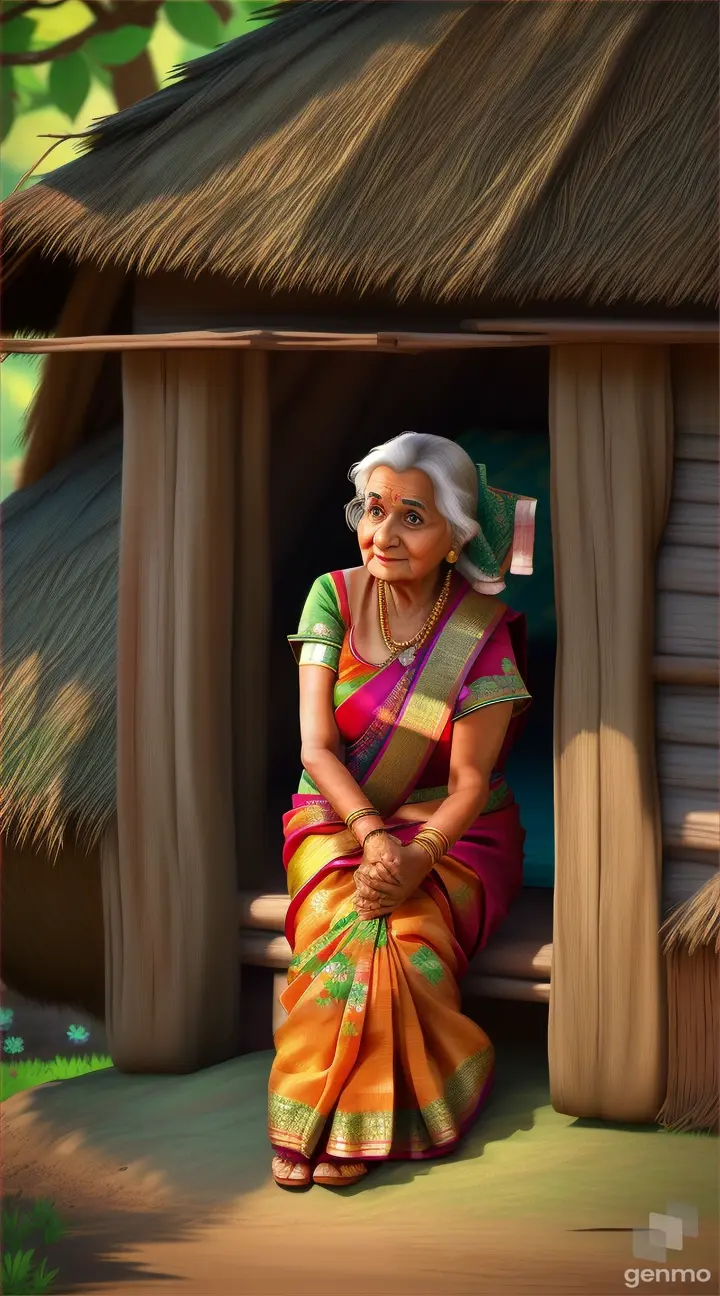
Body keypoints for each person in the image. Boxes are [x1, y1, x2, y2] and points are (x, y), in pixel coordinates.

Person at [268, 431, 535, 1189]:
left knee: (401, 936)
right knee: (339, 923)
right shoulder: (333, 595)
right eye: (374, 509)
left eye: (412, 517)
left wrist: (415, 857)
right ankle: (310, 1115)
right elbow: (316, 749)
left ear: (457, 538)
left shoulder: (479, 636)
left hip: (455, 834)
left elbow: (470, 786)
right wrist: (371, 836)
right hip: (336, 813)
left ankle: (368, 1118)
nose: (383, 534)